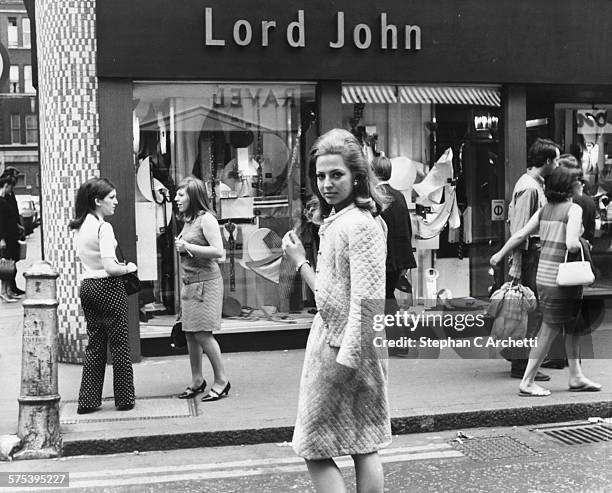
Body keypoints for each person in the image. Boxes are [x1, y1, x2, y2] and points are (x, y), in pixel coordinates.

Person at [282, 128, 391, 493]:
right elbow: (335, 295)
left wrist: (349, 361)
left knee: (314, 447)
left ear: (357, 176)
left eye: (336, 175)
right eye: (320, 175)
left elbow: (366, 301)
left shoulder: (359, 225)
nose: (326, 183)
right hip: (341, 344)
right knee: (363, 443)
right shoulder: (344, 220)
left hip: (344, 350)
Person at [491, 166, 602, 396]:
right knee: (549, 329)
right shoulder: (574, 210)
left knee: (572, 325)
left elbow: (521, 234)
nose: (579, 185)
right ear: (569, 187)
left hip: (545, 275)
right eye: (576, 182)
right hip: (562, 280)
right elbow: (571, 244)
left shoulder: (545, 210)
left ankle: (576, 376)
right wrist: (579, 234)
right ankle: (528, 381)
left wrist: (500, 254)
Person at [69, 178, 137, 414]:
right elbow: (110, 267)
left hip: (87, 286)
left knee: (95, 344)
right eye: (111, 198)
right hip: (108, 287)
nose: (116, 202)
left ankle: (87, 401)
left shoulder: (81, 224)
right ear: (97, 201)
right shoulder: (103, 227)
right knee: (119, 344)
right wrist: (128, 268)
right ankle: (125, 399)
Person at [503, 138, 560, 381]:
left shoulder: (534, 184)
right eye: (556, 159)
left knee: (531, 308)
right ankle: (520, 362)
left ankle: (523, 359)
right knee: (528, 309)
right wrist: (515, 265)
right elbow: (519, 229)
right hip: (529, 255)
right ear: (547, 161)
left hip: (533, 254)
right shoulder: (529, 187)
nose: (557, 164)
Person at [174, 176, 230, 402]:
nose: (176, 198)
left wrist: (187, 246)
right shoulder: (188, 220)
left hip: (206, 284)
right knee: (190, 334)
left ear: (193, 196)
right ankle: (197, 380)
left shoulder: (206, 219)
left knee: (203, 334)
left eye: (181, 194)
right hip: (190, 284)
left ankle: (222, 381)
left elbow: (219, 252)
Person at [544, 154, 598, 367]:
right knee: (574, 310)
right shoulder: (587, 201)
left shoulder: (566, 203)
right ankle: (575, 362)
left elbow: (571, 241)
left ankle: (558, 358)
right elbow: (590, 234)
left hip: (563, 261)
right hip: (580, 263)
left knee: (557, 314)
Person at [371, 155, 416, 354]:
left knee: (386, 298)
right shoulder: (399, 195)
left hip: (384, 257)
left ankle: (398, 343)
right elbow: (407, 226)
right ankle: (398, 342)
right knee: (388, 297)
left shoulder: (375, 196)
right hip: (399, 256)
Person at [0, 167, 25, 297]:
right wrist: (2, 238)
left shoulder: (8, 197)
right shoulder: (2, 200)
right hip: (7, 236)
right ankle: (5, 291)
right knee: (7, 264)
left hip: (12, 233)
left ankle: (9, 289)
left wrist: (18, 225)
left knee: (11, 263)